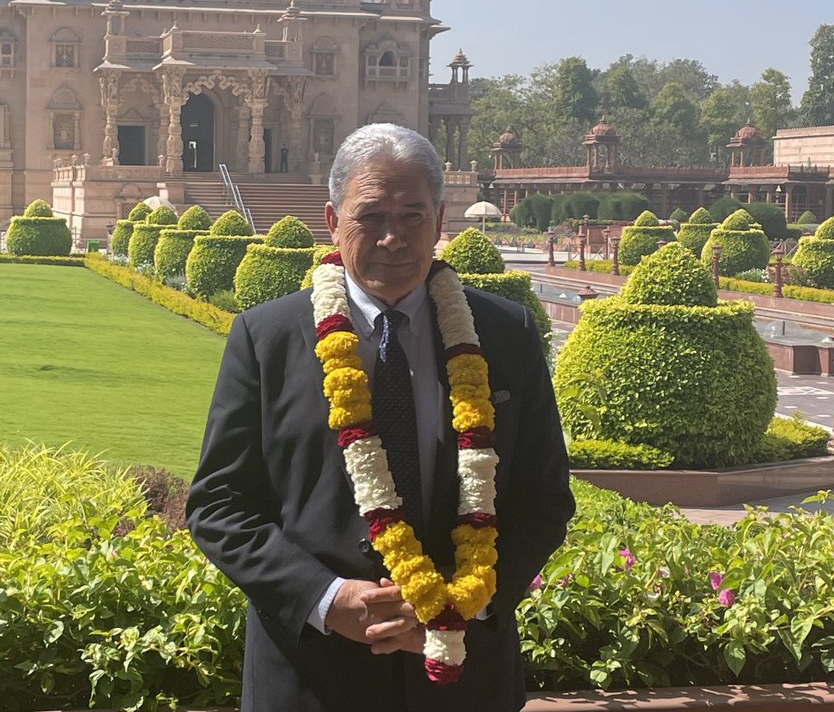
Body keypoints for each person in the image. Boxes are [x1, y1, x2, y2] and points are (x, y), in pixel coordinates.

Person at [186, 124, 574, 711]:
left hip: (463, 675)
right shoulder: (267, 339)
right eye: (370, 216)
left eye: (413, 215)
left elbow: (544, 498)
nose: (394, 237)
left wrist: (461, 605)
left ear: (440, 222)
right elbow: (219, 505)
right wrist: (324, 598)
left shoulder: (505, 336)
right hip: (312, 680)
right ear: (332, 220)